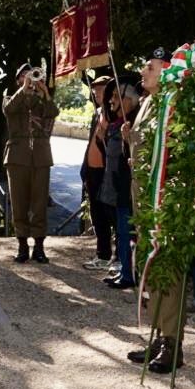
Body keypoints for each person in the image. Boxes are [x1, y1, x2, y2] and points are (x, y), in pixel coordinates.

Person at [128, 50, 189, 367]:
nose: (143, 72)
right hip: (144, 204)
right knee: (150, 272)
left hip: (164, 206)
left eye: (149, 68)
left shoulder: (174, 104)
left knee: (168, 274)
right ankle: (157, 336)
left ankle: (172, 343)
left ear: (166, 71)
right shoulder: (149, 102)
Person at [3, 65, 61, 262]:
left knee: (39, 203)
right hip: (17, 158)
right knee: (18, 203)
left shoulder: (42, 100)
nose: (28, 79)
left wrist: (45, 93)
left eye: (31, 76)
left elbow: (53, 113)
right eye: (23, 76)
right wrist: (24, 89)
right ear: (17, 80)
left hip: (40, 157)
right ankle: (22, 246)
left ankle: (39, 247)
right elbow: (9, 110)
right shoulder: (11, 98)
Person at [99, 83, 138, 290]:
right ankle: (124, 269)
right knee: (121, 233)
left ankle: (129, 274)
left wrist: (128, 138)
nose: (111, 100)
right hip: (115, 188)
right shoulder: (116, 123)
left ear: (128, 100)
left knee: (127, 233)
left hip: (126, 189)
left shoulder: (134, 122)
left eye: (116, 96)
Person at [80, 75, 116, 271]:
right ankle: (102, 254)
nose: (96, 93)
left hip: (106, 172)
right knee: (97, 215)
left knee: (109, 214)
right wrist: (85, 169)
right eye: (95, 90)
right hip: (92, 171)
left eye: (101, 89)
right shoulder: (98, 113)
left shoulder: (114, 114)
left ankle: (116, 257)